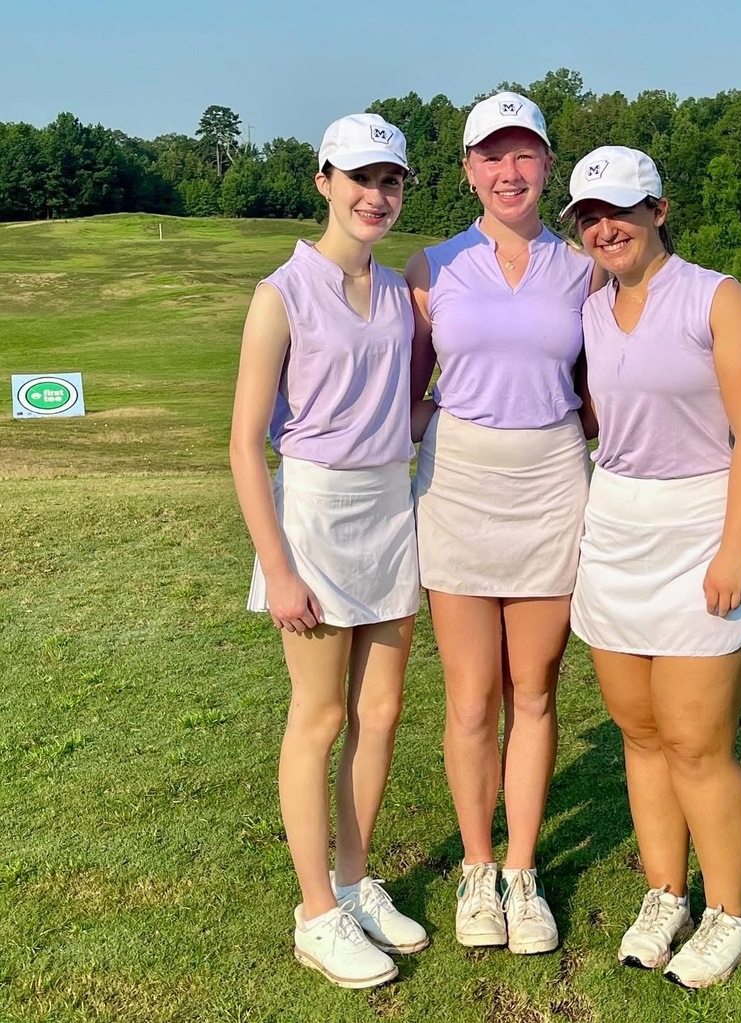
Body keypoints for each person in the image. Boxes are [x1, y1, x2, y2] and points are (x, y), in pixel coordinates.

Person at [561, 145, 741, 988]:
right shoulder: (591, 308)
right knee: (642, 734)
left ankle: (731, 916)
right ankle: (665, 894)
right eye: (588, 215)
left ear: (658, 208)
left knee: (697, 742)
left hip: (700, 526)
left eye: (619, 208)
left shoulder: (716, 298)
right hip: (615, 525)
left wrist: (734, 546)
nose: (604, 227)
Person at [229, 113, 428, 990]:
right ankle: (316, 912)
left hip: (392, 505)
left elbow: (408, 401)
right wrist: (276, 565)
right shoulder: (282, 293)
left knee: (379, 712)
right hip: (313, 511)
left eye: (390, 181)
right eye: (360, 178)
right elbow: (243, 443)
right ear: (323, 180)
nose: (375, 195)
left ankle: (353, 881)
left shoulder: (397, 292)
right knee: (319, 718)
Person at [405, 92, 601, 954]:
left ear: (548, 166)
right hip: (459, 485)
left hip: (552, 480)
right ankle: (477, 870)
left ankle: (522, 871)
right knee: (472, 696)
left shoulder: (583, 268)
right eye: (491, 156)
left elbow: (605, 389)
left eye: (524, 155)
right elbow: (409, 393)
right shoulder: (432, 266)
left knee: (536, 689)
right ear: (468, 170)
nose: (508, 171)